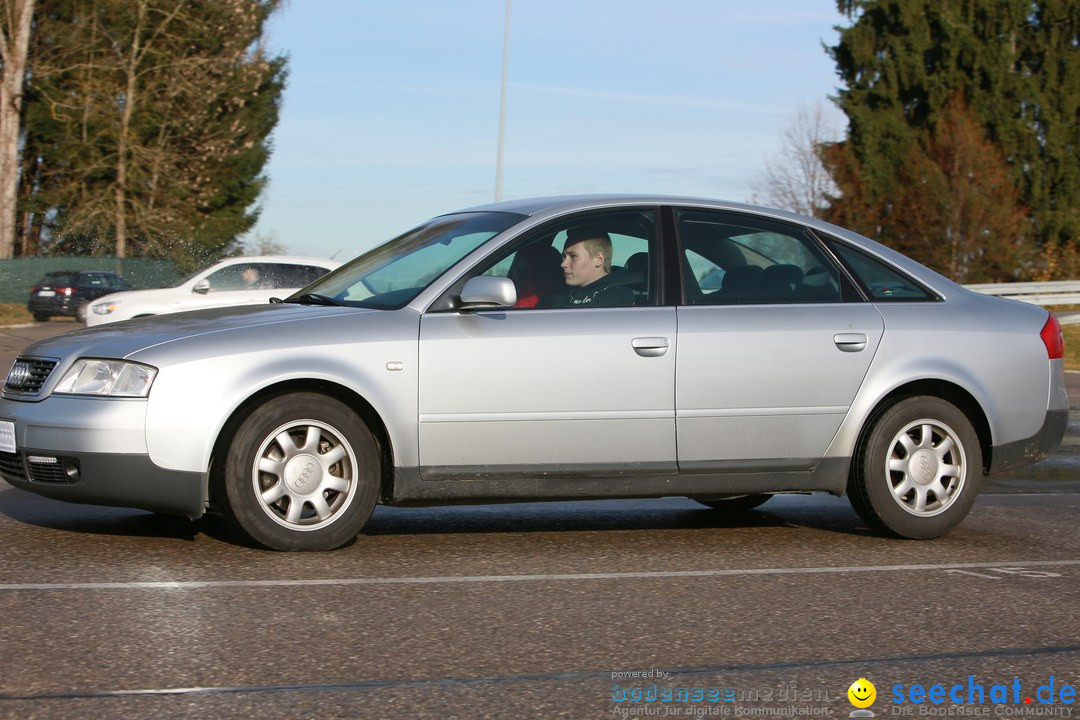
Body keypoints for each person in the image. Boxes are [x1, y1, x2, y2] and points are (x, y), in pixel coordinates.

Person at [553, 227, 634, 307]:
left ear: (598, 259)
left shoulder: (618, 296)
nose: (563, 264)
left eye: (573, 256)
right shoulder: (562, 294)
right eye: (564, 256)